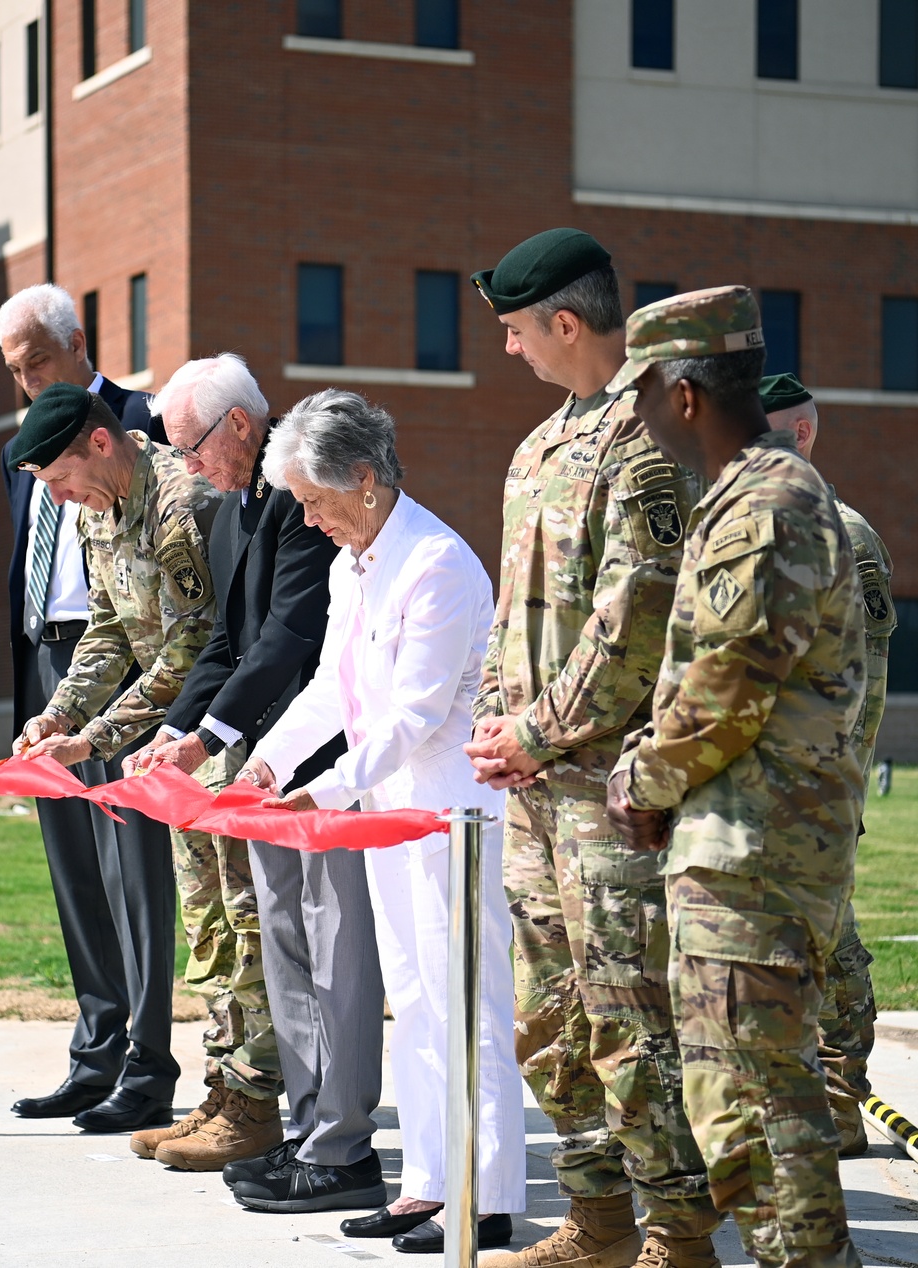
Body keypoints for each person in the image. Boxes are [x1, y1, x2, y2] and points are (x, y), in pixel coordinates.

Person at [465, 229, 719, 1268]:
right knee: (549, 1020)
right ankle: (597, 1216)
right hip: (531, 791)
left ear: (564, 322)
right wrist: (493, 715)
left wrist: (533, 731)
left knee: (632, 1021)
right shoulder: (537, 447)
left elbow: (636, 619)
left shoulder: (648, 438)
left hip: (607, 792)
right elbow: (511, 612)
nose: (513, 352)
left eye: (518, 332)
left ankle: (678, 1232)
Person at [606, 287, 866, 1268]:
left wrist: (639, 779)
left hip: (759, 851)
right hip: (735, 846)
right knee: (739, 1097)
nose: (633, 417)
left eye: (641, 396)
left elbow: (722, 692)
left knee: (755, 1098)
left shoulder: (767, 505)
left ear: (682, 394)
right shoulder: (748, 495)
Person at [234, 389, 526, 1250]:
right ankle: (431, 1182)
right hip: (384, 811)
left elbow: (415, 713)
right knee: (414, 999)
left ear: (363, 481)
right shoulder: (350, 563)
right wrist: (268, 763)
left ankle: (491, 1191)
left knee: (466, 1000)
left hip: (450, 814)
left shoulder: (434, 561)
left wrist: (318, 795)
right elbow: (333, 689)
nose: (309, 519)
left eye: (316, 501)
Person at [127, 359, 382, 1207]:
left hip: (319, 766)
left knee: (333, 957)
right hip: (264, 766)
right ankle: (308, 1134)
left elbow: (287, 640)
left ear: (238, 426)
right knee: (283, 952)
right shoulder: (237, 504)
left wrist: (206, 742)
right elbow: (226, 643)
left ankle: (340, 1142)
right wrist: (176, 733)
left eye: (193, 449)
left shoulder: (299, 494)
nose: (189, 468)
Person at [10, 381, 224, 1131]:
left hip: (214, 729)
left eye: (61, 479)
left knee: (229, 921)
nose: (61, 498)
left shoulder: (181, 504)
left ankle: (238, 1089)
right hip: (156, 721)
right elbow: (106, 628)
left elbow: (192, 648)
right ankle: (162, 1075)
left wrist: (96, 736)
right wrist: (60, 711)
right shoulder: (96, 510)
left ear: (101, 443)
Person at [0, 283, 177, 1130]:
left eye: (36, 362)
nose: (26, 382)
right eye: (13, 369)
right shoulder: (18, 451)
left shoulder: (150, 419)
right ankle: (95, 1049)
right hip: (51, 665)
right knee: (75, 870)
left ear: (76, 342)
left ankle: (148, 1055)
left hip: (132, 663)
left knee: (134, 869)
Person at [760, 372, 895, 1158]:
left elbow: (862, 691)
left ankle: (842, 1106)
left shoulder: (846, 536)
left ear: (800, 436)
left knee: (828, 943)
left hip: (815, 790)